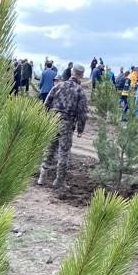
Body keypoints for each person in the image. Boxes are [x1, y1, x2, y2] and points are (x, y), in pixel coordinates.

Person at [37, 64, 89, 198]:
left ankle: (42, 176)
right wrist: (80, 128)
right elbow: (82, 112)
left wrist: (45, 119)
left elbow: (46, 103)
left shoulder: (59, 86)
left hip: (53, 121)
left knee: (50, 148)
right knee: (63, 152)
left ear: (72, 72)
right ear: (81, 76)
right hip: (67, 124)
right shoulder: (80, 91)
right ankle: (59, 181)